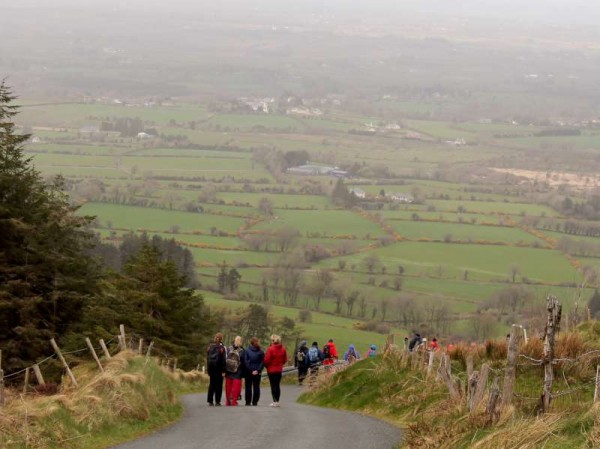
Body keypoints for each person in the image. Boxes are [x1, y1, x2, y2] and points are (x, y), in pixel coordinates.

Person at [264, 334, 287, 407]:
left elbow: (266, 360)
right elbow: (285, 359)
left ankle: (274, 401)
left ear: (272, 341)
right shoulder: (283, 349)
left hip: (271, 370)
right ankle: (277, 401)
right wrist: (280, 364)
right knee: (277, 385)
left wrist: (266, 366)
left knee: (273, 385)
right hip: (279, 370)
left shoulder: (270, 349)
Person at [243, 336, 264, 406]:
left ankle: (248, 401)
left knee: (248, 387)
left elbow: (245, 361)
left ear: (251, 343)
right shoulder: (261, 351)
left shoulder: (247, 350)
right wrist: (258, 370)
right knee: (256, 387)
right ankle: (255, 401)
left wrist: (250, 370)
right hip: (257, 372)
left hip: (249, 372)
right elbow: (262, 362)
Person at [206, 332, 226, 406]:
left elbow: (207, 359)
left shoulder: (210, 347)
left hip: (211, 368)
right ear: (221, 339)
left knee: (212, 384)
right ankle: (217, 401)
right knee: (219, 385)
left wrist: (208, 369)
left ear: (215, 338)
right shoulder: (222, 348)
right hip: (219, 369)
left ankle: (210, 401)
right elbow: (223, 360)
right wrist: (224, 370)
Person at [225, 336, 245, 406]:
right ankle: (234, 402)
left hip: (228, 370)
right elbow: (243, 362)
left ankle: (227, 402)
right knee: (236, 387)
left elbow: (225, 359)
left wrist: (225, 370)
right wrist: (243, 374)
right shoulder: (242, 350)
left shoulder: (228, 348)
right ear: (241, 342)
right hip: (237, 371)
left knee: (228, 387)